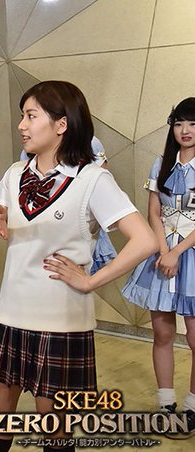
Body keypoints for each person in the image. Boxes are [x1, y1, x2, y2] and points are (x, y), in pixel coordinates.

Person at [0, 80, 157, 452]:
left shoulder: (92, 178)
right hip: (10, 315)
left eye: (31, 116)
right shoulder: (15, 173)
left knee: (55, 428)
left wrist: (90, 281)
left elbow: (145, 241)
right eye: (22, 116)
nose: (22, 125)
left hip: (61, 323)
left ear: (61, 124)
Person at [122, 97, 195, 437]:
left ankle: (193, 407)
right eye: (179, 123)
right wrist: (164, 249)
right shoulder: (160, 164)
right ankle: (166, 404)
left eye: (192, 124)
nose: (185, 130)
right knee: (162, 333)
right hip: (162, 254)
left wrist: (177, 251)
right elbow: (153, 211)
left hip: (190, 255)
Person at [22, 136, 117, 274]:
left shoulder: (90, 142)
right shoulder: (31, 146)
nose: (22, 126)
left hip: (78, 230)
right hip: (38, 232)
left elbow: (102, 189)